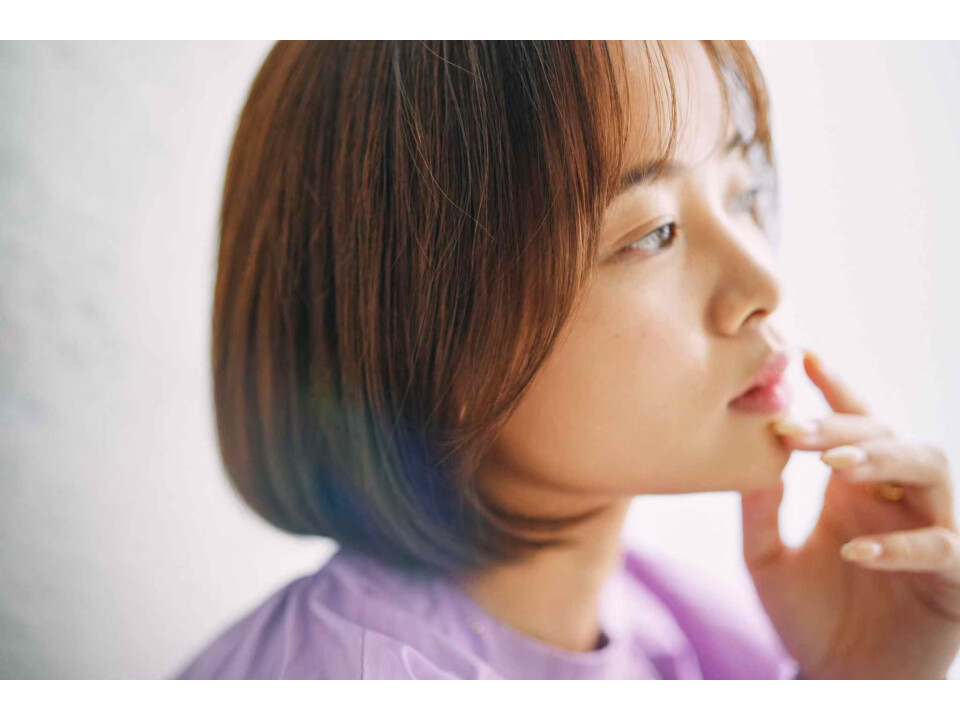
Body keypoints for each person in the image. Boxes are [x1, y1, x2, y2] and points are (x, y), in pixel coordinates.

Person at [172, 40, 960, 679]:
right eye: (653, 233)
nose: (764, 284)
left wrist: (865, 678)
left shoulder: (679, 629)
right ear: (425, 331)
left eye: (743, 194)